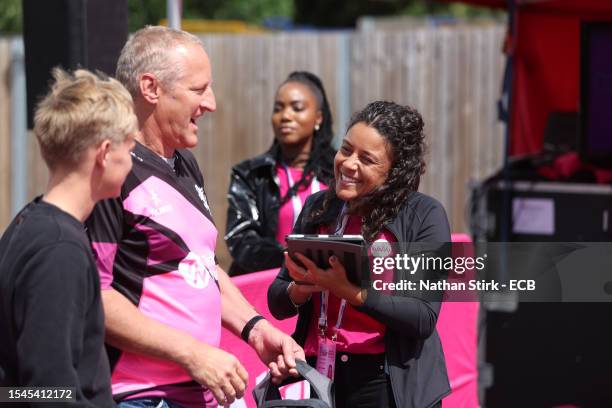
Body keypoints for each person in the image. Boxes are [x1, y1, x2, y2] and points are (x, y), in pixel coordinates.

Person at [85, 26, 304, 408]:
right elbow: (94, 297)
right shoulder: (112, 168)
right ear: (151, 88)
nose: (212, 103)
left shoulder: (183, 160)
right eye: (199, 89)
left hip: (204, 391)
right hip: (141, 396)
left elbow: (199, 266)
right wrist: (194, 354)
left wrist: (257, 330)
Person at [268, 101, 452, 408]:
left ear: (394, 172)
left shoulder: (425, 215)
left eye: (367, 159)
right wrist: (303, 287)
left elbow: (422, 317)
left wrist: (354, 294)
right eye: (346, 149)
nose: (349, 164)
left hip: (388, 386)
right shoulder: (318, 207)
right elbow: (278, 300)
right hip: (322, 376)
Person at [0, 68, 138, 406]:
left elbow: (16, 389)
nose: (133, 162)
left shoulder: (27, 225)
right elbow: (47, 389)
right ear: (105, 153)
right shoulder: (59, 251)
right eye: (130, 149)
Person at [225, 71, 336, 275]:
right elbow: (242, 240)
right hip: (269, 288)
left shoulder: (340, 173)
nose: (285, 116)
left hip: (332, 286)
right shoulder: (251, 174)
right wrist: (294, 258)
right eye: (278, 108)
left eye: (297, 108)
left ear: (318, 118)